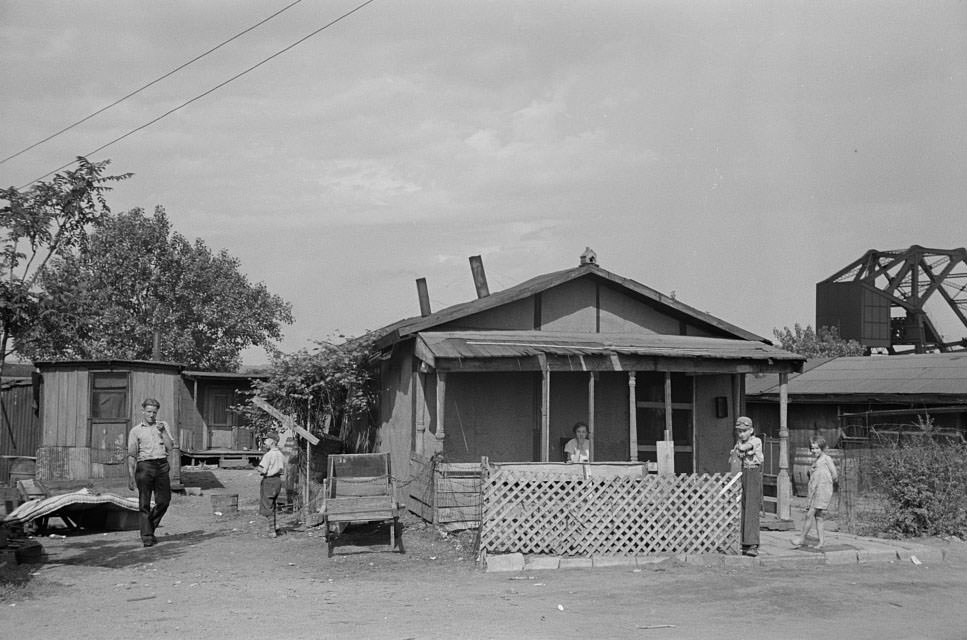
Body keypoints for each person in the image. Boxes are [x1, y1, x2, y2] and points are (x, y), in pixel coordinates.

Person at [127, 398, 174, 548]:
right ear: (143, 412)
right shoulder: (135, 431)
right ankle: (147, 536)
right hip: (144, 466)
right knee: (144, 503)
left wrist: (163, 432)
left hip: (161, 465)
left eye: (154, 412)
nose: (152, 415)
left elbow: (170, 447)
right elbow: (132, 455)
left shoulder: (163, 426)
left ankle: (149, 528)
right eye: (149, 412)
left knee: (164, 501)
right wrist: (131, 476)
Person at [792, 436, 838, 549]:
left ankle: (802, 538)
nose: (814, 451)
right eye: (812, 448)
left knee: (809, 514)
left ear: (822, 448)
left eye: (817, 448)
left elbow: (835, 475)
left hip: (822, 490)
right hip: (815, 491)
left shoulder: (826, 458)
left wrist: (825, 482)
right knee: (819, 516)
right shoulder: (816, 461)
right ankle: (821, 542)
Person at [730, 416, 763, 556]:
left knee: (751, 507)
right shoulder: (739, 442)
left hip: (753, 472)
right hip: (743, 473)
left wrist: (738, 450)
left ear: (751, 430)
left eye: (744, 431)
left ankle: (752, 544)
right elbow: (733, 456)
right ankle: (744, 542)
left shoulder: (755, 440)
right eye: (739, 431)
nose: (741, 434)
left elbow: (744, 447)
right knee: (742, 506)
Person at [257, 431, 286, 538]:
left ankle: (272, 530)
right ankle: (274, 526)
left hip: (269, 481)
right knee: (272, 504)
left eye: (267, 440)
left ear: (273, 442)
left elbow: (263, 470)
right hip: (278, 481)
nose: (265, 441)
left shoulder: (268, 455)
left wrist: (258, 468)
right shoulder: (281, 455)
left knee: (267, 505)